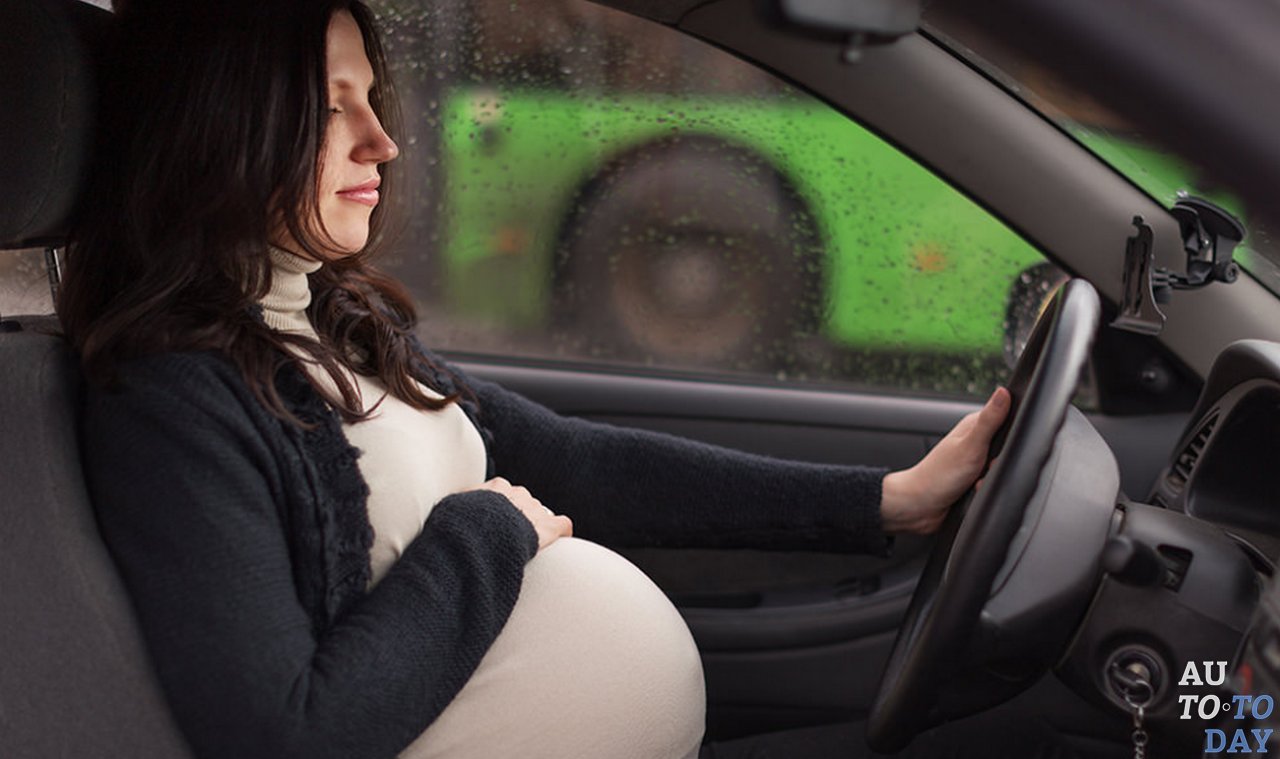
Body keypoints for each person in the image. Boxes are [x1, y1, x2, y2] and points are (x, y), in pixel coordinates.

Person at [58, 1, 1013, 758]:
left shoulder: (330, 322)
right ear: (218, 128)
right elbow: (291, 734)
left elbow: (569, 458)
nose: (380, 142)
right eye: (329, 106)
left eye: (369, 99)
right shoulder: (173, 396)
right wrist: (489, 531)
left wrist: (885, 501)